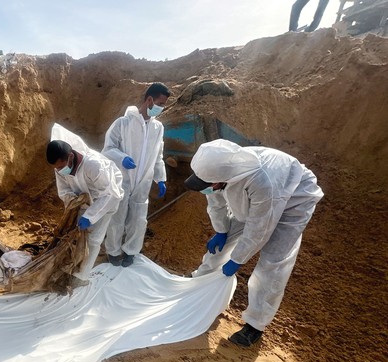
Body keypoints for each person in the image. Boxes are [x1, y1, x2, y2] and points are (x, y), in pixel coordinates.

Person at [184, 139, 324, 347]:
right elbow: (216, 201)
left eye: (207, 185)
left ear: (218, 180)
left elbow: (260, 228)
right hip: (256, 199)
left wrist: (238, 260)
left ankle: (256, 324)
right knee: (223, 243)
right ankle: (200, 281)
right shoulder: (219, 169)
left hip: (293, 199)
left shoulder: (262, 182)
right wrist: (222, 230)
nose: (206, 188)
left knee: (273, 262)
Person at [102, 82, 171, 267]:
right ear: (149, 100)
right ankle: (113, 251)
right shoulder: (123, 123)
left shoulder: (158, 128)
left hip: (143, 181)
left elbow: (158, 155)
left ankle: (131, 250)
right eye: (160, 104)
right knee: (117, 217)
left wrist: (161, 178)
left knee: (139, 219)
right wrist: (122, 157)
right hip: (122, 179)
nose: (161, 108)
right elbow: (108, 149)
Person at [47, 123, 124, 285]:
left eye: (61, 167)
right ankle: (74, 265)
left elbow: (110, 194)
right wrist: (75, 205)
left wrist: (90, 216)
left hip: (105, 201)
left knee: (94, 238)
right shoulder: (60, 168)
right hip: (83, 201)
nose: (59, 171)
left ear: (71, 157)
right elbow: (64, 191)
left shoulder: (93, 165)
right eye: (56, 168)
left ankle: (82, 277)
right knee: (76, 236)